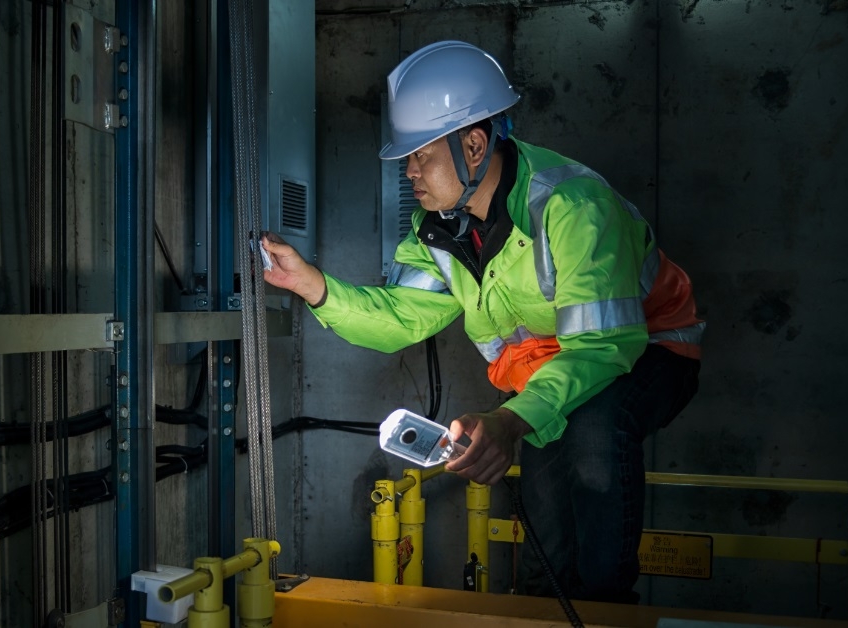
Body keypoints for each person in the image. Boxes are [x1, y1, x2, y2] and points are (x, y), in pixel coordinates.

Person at [260, 40, 704, 604]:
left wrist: (511, 421)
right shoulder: (440, 232)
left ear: (473, 144)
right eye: (406, 157)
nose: (409, 171)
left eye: (420, 154)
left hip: (650, 352)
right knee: (545, 487)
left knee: (593, 433)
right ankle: (547, 607)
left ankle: (607, 611)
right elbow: (401, 318)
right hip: (552, 375)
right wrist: (313, 286)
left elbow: (602, 347)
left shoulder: (571, 207)